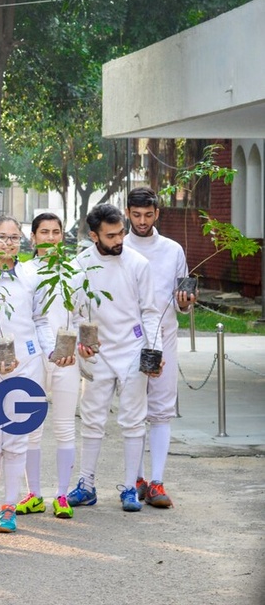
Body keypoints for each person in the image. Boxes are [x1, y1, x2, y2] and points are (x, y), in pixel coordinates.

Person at [67, 203, 161, 512]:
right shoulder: (79, 266)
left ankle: (130, 488)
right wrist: (82, 341)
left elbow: (151, 312)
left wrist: (154, 352)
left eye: (121, 232)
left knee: (133, 421)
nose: (119, 239)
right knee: (92, 419)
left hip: (133, 349)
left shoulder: (138, 263)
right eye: (111, 235)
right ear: (94, 236)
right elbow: (74, 314)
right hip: (98, 352)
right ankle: (86, 484)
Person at [0, 216, 57, 535]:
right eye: (2, 237)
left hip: (27, 363)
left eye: (14, 238)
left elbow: (39, 320)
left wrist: (52, 351)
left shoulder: (30, 275)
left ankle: (9, 505)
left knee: (17, 438)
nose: (8, 244)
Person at [124, 187, 194, 508]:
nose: (142, 221)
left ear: (157, 214)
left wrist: (186, 302)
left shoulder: (173, 250)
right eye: (136, 215)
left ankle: (157, 482)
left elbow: (182, 300)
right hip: (129, 339)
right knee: (134, 410)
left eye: (148, 215)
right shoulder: (119, 247)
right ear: (127, 212)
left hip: (164, 338)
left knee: (162, 410)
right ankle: (135, 480)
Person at [19, 213, 81, 519]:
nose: (52, 237)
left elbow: (83, 316)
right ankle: (33, 494)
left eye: (57, 231)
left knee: (65, 425)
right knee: (31, 427)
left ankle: (62, 494)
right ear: (33, 237)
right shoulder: (24, 272)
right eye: (45, 232)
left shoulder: (75, 271)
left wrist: (82, 345)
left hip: (67, 359)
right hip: (34, 359)